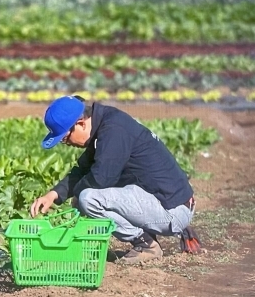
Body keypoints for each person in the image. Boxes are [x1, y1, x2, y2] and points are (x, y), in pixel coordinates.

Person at [29, 95, 199, 264]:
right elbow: (82, 170)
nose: (67, 144)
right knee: (94, 189)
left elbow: (101, 179)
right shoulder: (103, 124)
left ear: (80, 124)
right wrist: (53, 195)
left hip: (173, 210)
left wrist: (77, 198)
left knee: (89, 198)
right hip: (165, 201)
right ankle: (149, 236)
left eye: (65, 139)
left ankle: (146, 245)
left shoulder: (113, 131)